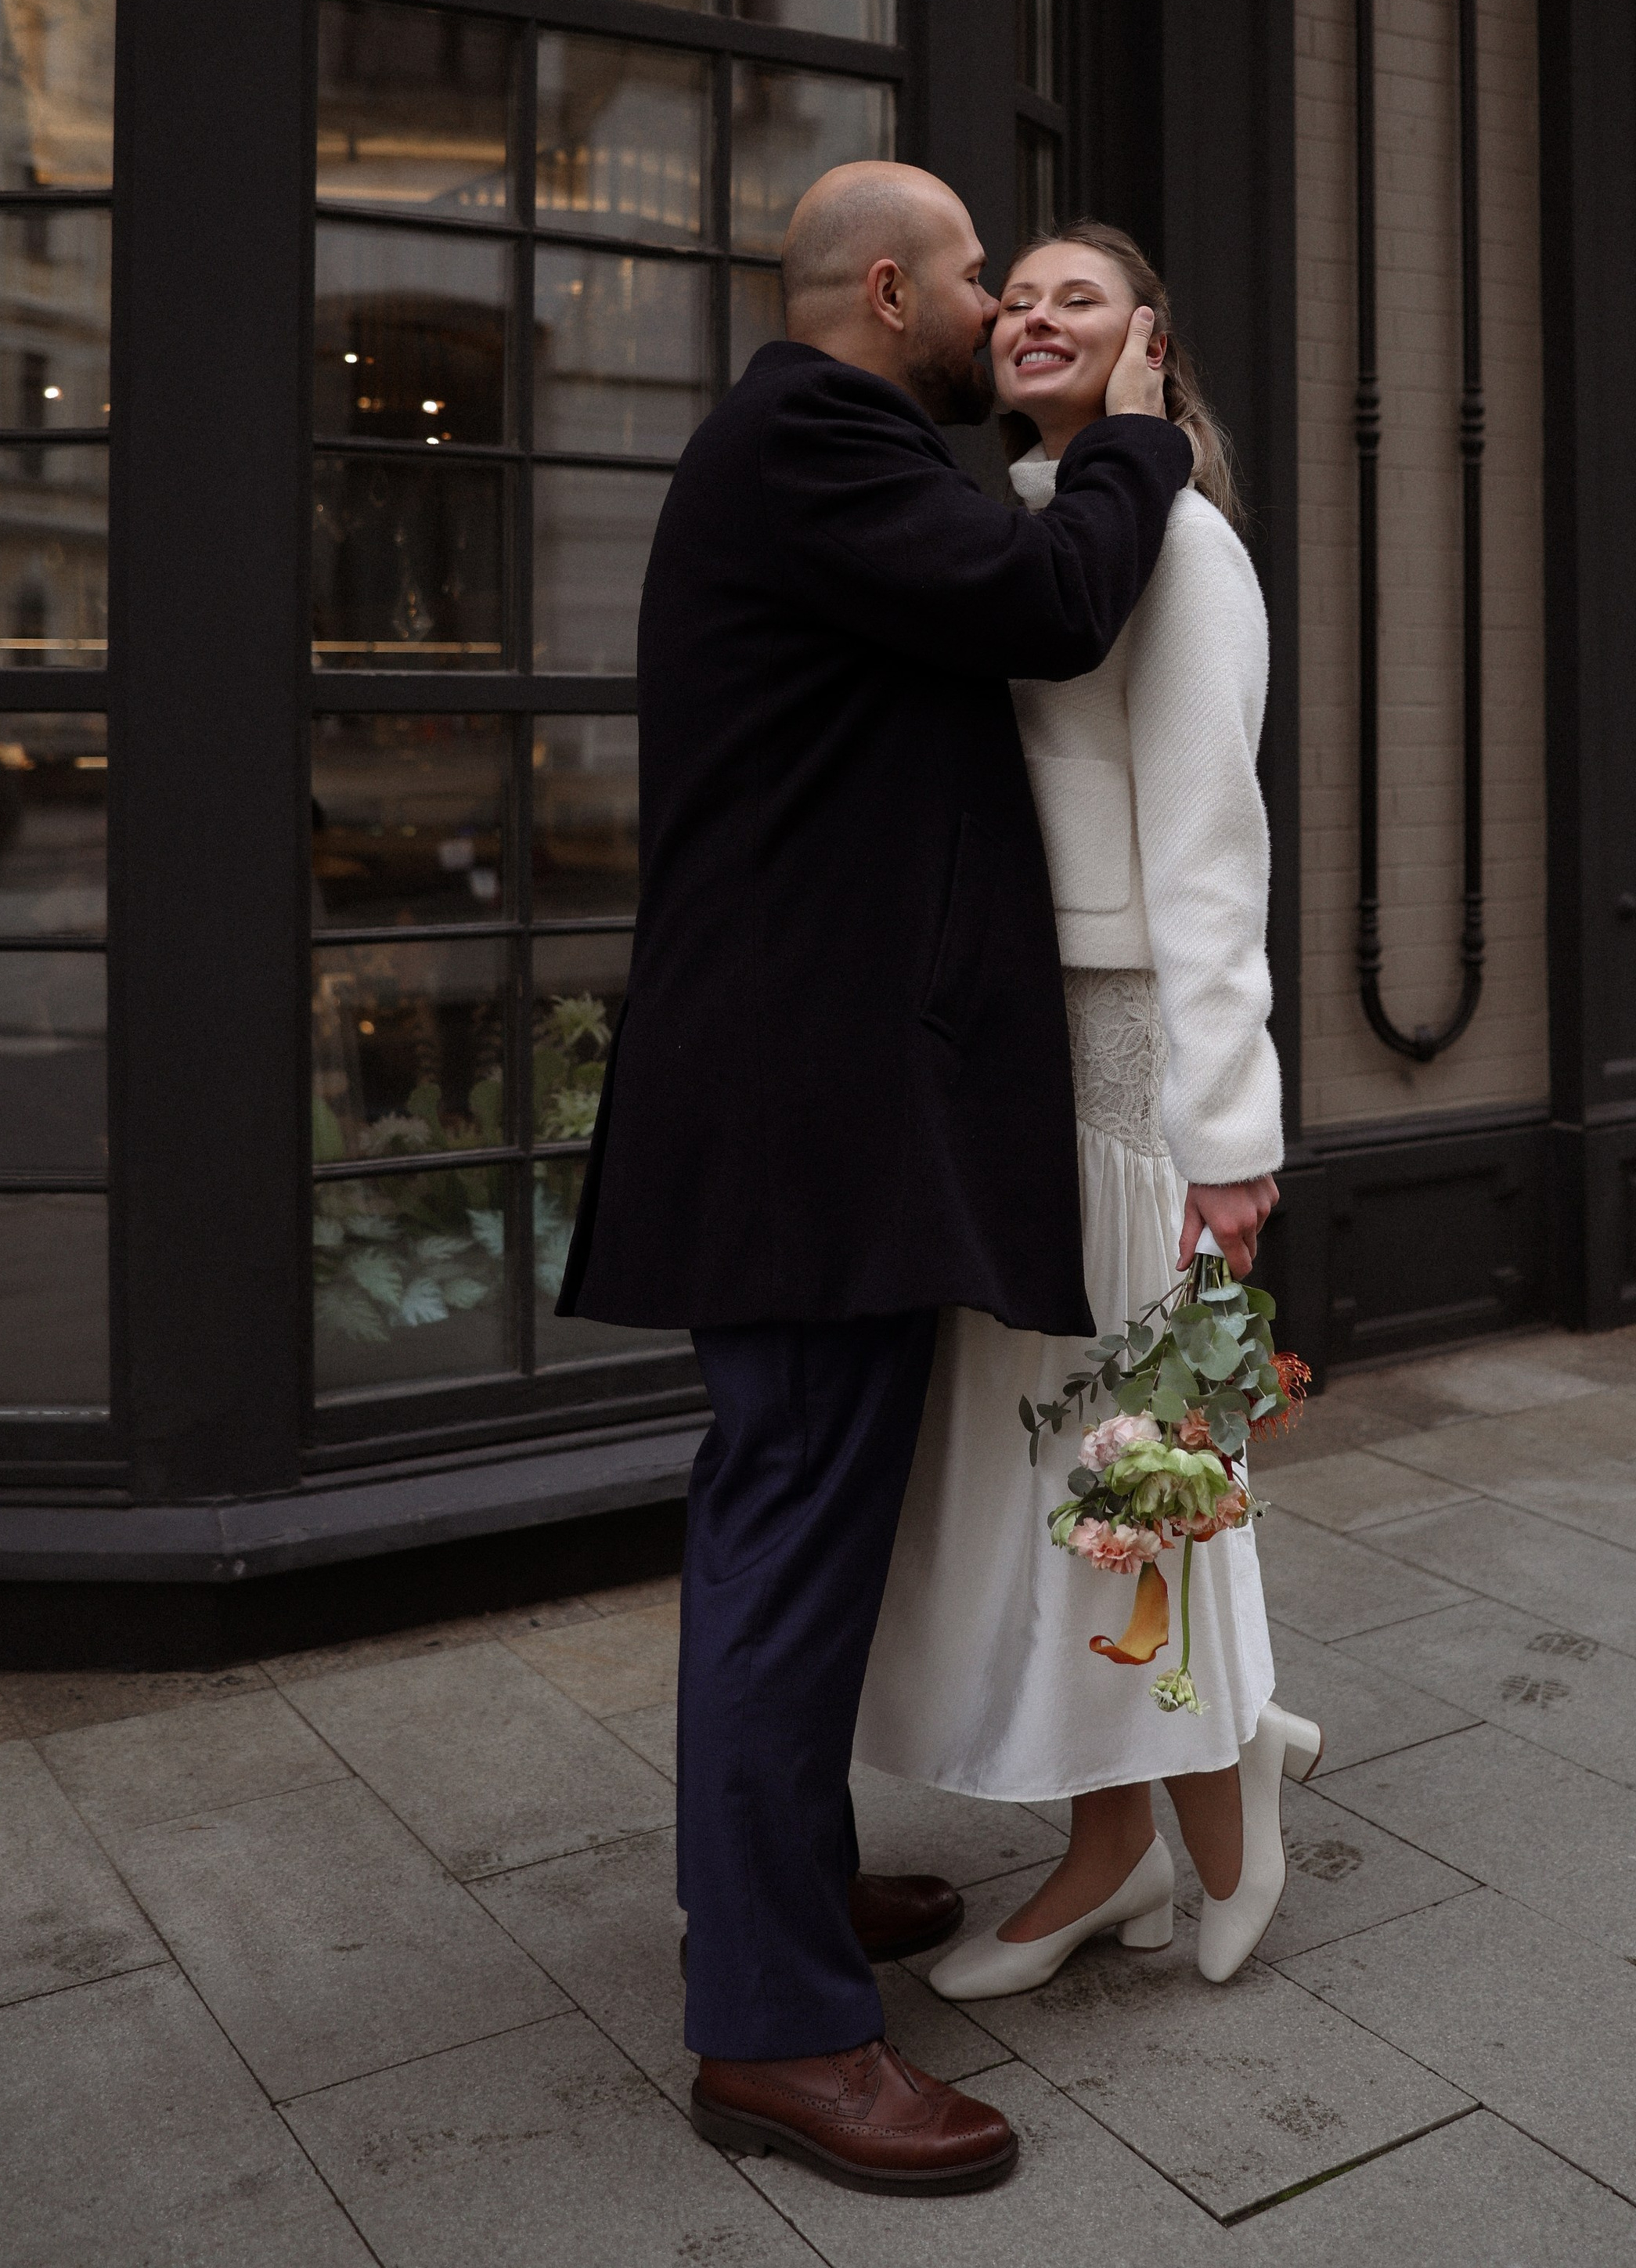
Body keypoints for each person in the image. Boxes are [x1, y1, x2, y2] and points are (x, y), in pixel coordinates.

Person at [555, 164, 1191, 2194]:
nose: (1000, 301)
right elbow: (1044, 597)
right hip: (807, 1117)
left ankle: (782, 1902)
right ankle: (774, 2031)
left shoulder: (795, 450)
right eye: (983, 277)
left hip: (810, 1107)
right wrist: (1143, 432)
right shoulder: (813, 432)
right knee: (786, 1540)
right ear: (894, 287)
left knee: (793, 1529)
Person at [856, 219, 1321, 1996]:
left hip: (1124, 1068)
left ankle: (1148, 1830)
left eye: (1081, 295)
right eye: (1018, 293)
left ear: (1149, 342)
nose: (1038, 313)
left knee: (1121, 1471)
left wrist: (1228, 1138)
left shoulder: (1179, 545)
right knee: (1046, 1472)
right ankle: (1170, 1788)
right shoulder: (1023, 533)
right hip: (1004, 1062)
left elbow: (1214, 856)